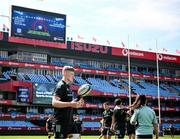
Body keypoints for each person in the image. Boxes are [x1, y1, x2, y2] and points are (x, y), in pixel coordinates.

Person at [52, 66, 84, 139]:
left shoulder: (68, 87)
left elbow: (70, 103)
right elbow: (54, 102)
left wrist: (77, 103)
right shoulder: (60, 86)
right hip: (61, 122)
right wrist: (71, 104)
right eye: (72, 74)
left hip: (70, 122)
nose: (73, 76)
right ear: (65, 73)